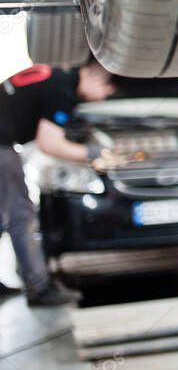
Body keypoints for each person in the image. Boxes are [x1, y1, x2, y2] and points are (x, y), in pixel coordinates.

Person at [0, 60, 117, 306]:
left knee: (5, 215)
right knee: (21, 214)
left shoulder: (56, 75)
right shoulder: (64, 90)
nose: (102, 98)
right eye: (106, 91)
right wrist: (95, 154)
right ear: (96, 79)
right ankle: (40, 288)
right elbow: (49, 143)